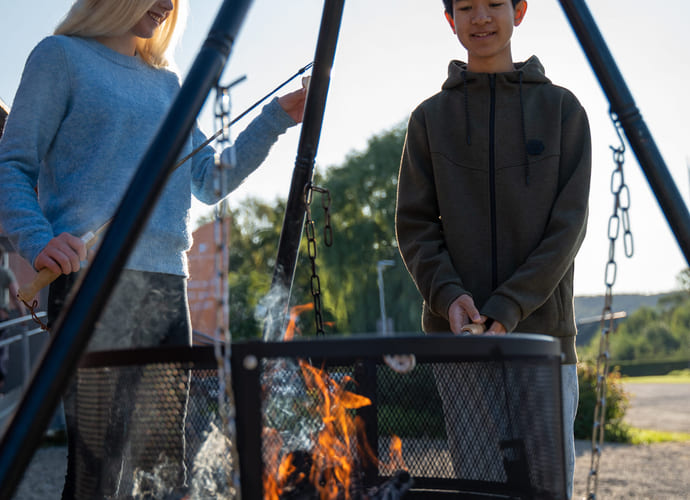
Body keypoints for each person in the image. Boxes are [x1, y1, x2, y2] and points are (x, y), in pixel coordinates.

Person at [0, 0, 306, 498]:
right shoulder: (59, 57)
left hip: (168, 287)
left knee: (164, 472)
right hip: (91, 290)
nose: (166, 4)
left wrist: (275, 117)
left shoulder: (167, 84)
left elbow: (209, 179)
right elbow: (12, 166)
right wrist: (37, 241)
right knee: (96, 474)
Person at [395, 0, 590, 498]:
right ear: (450, 20)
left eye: (493, 4)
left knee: (547, 490)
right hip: (462, 344)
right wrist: (448, 296)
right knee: (480, 491)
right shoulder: (428, 120)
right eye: (466, 7)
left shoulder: (563, 110)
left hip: (542, 341)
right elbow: (415, 226)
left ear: (519, 10)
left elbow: (568, 229)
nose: (481, 17)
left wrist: (510, 305)